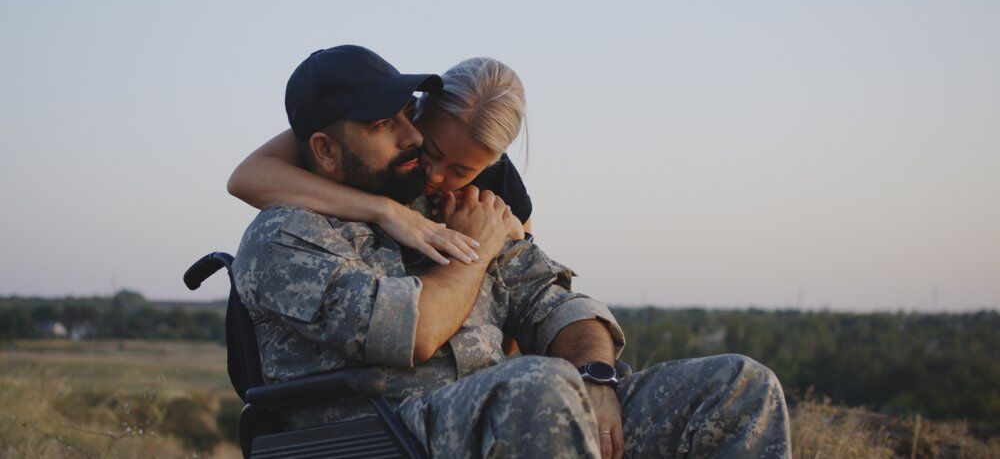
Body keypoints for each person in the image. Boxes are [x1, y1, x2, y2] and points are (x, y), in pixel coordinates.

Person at [231, 45, 791, 458]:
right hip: (382, 433)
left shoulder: (463, 205)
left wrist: (595, 377)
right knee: (539, 388)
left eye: (408, 114)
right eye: (384, 125)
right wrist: (480, 251)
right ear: (326, 151)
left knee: (740, 387)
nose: (412, 139)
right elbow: (414, 330)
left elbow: (554, 301)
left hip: (515, 414)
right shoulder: (289, 235)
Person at [228, 54, 532, 355]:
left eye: (461, 172)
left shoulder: (497, 177)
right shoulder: (378, 118)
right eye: (432, 149)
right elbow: (247, 178)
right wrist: (385, 209)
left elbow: (519, 323)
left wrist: (503, 231)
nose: (436, 174)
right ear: (418, 107)